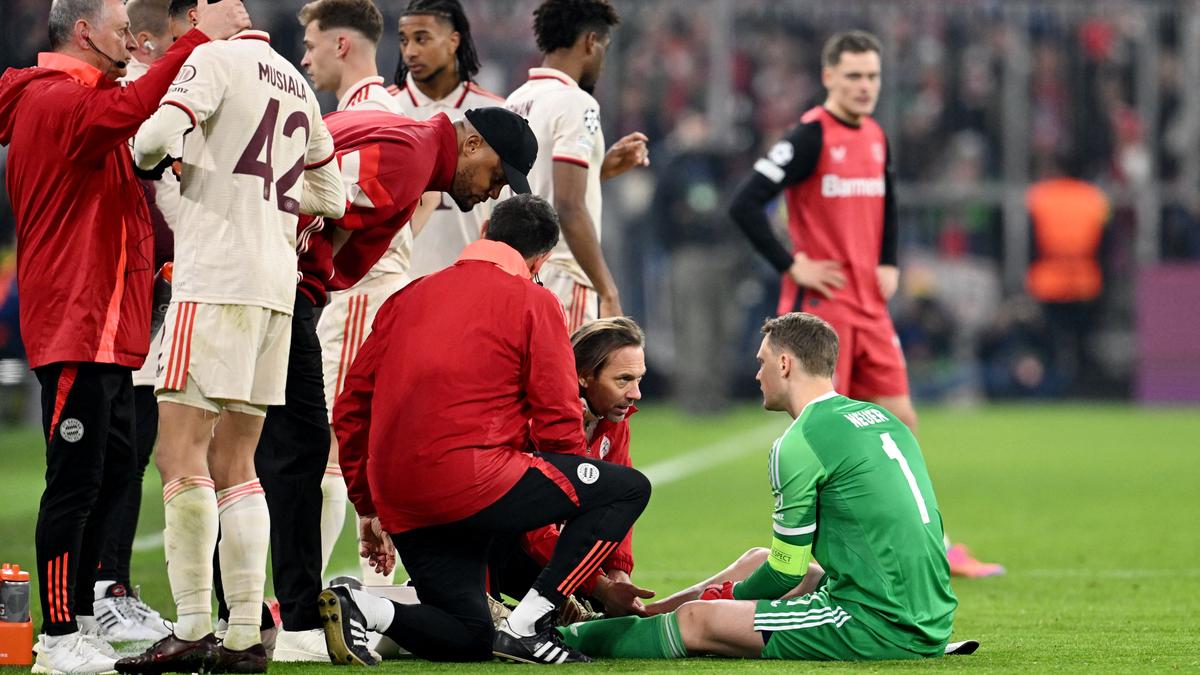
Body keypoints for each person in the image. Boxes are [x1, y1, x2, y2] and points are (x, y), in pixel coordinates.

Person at [0, 0, 249, 671]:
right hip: (74, 325)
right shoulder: (54, 100)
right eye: (119, 30)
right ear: (83, 32)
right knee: (73, 483)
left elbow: (136, 112)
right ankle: (54, 635)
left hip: (108, 327)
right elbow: (135, 103)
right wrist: (196, 38)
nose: (130, 41)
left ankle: (80, 615)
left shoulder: (79, 100)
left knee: (109, 476)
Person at [319, 194, 651, 665]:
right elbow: (558, 418)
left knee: (470, 636)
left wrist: (369, 504)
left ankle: (366, 606)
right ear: (541, 259)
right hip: (474, 482)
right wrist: (572, 486)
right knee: (627, 489)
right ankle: (530, 623)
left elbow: (352, 405)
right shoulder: (534, 300)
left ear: (485, 233)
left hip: (400, 498)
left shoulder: (407, 296)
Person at [117, 0, 347, 670]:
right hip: (276, 289)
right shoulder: (297, 82)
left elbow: (152, 141)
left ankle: (193, 625)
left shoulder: (209, 62)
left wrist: (179, 164)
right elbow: (332, 197)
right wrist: (261, 195)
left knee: (180, 455)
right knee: (237, 463)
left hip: (212, 278)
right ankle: (246, 632)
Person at [727, 30, 1001, 579]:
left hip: (869, 307)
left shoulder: (876, 136)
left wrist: (889, 261)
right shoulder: (807, 137)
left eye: (872, 76)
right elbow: (746, 202)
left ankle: (937, 545)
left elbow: (890, 201)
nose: (863, 86)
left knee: (901, 420)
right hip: (821, 310)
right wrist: (791, 264)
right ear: (829, 77)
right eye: (852, 75)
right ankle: (812, 561)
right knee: (822, 435)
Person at [557, 312, 959, 662]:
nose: (756, 374)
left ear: (785, 364)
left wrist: (720, 598)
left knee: (698, 620)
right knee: (755, 558)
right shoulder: (879, 417)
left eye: (762, 362)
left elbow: (786, 571)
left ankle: (559, 636)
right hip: (926, 608)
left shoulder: (802, 441)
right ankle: (650, 611)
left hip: (878, 623)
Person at [296, 0, 404, 587]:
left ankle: (307, 602)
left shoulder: (367, 115)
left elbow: (346, 210)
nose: (304, 58)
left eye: (311, 45)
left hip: (360, 291)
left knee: (335, 448)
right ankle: (379, 596)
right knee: (366, 447)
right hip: (379, 288)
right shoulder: (388, 109)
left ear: (342, 45)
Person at [85, 0, 178, 644]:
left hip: (151, 296)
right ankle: (100, 589)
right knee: (113, 451)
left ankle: (108, 585)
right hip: (124, 298)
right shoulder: (121, 106)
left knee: (130, 450)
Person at [489, 317, 655, 621]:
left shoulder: (615, 415)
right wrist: (599, 587)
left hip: (537, 548)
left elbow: (618, 507)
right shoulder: (538, 420)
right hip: (499, 543)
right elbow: (533, 529)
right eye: (623, 380)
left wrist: (619, 571)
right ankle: (487, 604)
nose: (635, 393)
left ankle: (544, 607)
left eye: (639, 379)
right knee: (469, 635)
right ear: (583, 377)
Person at [505, 0, 650, 332]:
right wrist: (607, 289)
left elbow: (539, 187)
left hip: (518, 274)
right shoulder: (577, 102)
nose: (602, 61)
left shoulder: (515, 101)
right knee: (567, 383)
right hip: (563, 276)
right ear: (590, 42)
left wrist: (599, 168)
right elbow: (568, 206)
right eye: (604, 47)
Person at [391, 0, 506, 280]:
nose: (410, 51)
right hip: (394, 285)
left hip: (469, 284)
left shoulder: (498, 113)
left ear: (454, 40)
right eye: (404, 41)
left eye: (422, 39)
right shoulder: (385, 108)